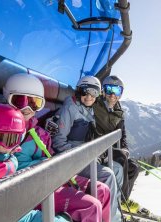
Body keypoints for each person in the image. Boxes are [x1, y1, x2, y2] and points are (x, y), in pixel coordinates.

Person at [3, 73, 111, 222]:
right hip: (33, 183)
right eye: (20, 100)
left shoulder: (38, 131)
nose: (27, 108)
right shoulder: (3, 129)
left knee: (102, 191)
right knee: (90, 206)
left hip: (52, 173)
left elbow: (50, 152)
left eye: (34, 103)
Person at [51, 75, 123, 221]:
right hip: (71, 158)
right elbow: (58, 141)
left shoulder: (88, 109)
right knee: (108, 174)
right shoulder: (70, 108)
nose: (89, 96)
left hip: (85, 155)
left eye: (94, 93)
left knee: (117, 169)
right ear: (79, 91)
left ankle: (114, 213)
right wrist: (83, 155)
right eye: (85, 92)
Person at [93, 75, 141, 214]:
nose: (113, 95)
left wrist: (125, 147)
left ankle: (122, 199)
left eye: (117, 91)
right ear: (103, 91)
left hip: (110, 148)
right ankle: (120, 201)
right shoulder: (96, 105)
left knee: (133, 167)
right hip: (99, 149)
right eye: (109, 90)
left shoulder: (119, 112)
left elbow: (122, 134)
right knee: (120, 158)